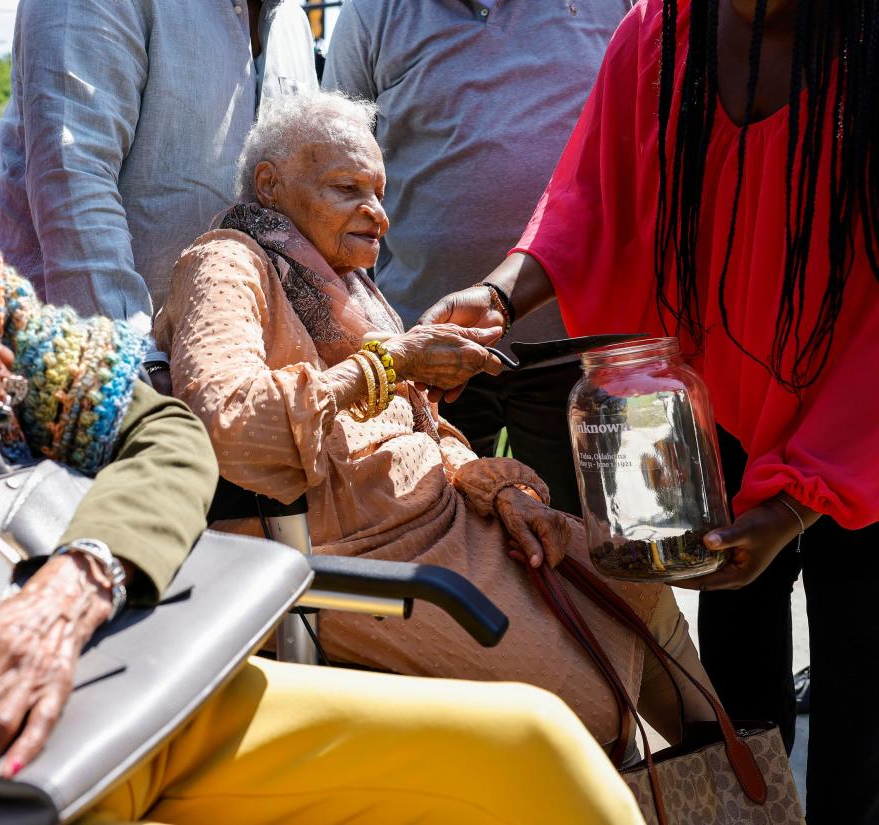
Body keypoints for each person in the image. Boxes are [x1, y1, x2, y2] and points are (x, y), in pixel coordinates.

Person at [0, 3, 647, 823]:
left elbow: (160, 429)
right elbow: (96, 215)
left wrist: (79, 579)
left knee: (538, 749)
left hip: (109, 689)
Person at [421, 1, 879, 821]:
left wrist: (796, 505)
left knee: (863, 710)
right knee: (737, 695)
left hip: (863, 428)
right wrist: (498, 295)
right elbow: (586, 198)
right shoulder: (661, 32)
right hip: (724, 426)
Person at [155, 90, 718, 751]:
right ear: (270, 184)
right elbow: (226, 424)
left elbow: (418, 428)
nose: (379, 216)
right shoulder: (226, 261)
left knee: (631, 583)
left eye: (381, 192)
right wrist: (388, 362)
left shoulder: (345, 283)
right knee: (588, 703)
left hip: (449, 523)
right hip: (360, 557)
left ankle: (730, 793)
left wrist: (496, 487)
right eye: (349, 189)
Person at [323, 0, 634, 516]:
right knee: (437, 536)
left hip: (574, 351)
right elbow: (336, 161)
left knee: (589, 547)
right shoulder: (372, 13)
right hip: (424, 352)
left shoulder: (614, 8)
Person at [0, 0, 317, 338]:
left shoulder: (291, 21)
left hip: (225, 360)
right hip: (63, 355)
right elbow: (74, 180)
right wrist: (136, 359)